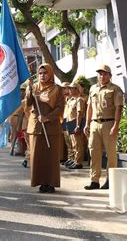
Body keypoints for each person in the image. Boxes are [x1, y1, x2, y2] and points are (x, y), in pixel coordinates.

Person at [25, 64, 64, 193]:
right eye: (40, 73)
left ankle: (51, 183)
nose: (42, 75)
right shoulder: (34, 87)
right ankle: (40, 182)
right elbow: (29, 103)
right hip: (36, 126)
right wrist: (30, 90)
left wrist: (48, 117)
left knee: (51, 157)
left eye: (45, 73)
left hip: (51, 127)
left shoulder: (57, 89)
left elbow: (60, 108)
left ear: (51, 74)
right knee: (38, 156)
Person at [84, 64, 123, 190]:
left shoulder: (115, 89)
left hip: (109, 124)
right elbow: (89, 107)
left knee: (111, 154)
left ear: (110, 76)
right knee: (94, 153)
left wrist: (116, 125)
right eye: (100, 73)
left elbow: (118, 108)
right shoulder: (92, 88)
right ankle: (94, 181)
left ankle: (110, 180)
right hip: (94, 124)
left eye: (105, 73)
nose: (102, 76)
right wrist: (87, 124)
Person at [66, 82, 86, 169]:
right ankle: (74, 160)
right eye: (69, 88)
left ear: (76, 89)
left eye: (72, 88)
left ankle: (79, 162)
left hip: (76, 122)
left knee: (78, 143)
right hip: (70, 122)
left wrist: (78, 125)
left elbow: (79, 113)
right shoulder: (71, 100)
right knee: (73, 143)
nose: (70, 90)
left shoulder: (79, 100)